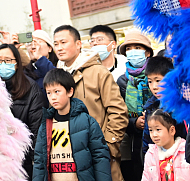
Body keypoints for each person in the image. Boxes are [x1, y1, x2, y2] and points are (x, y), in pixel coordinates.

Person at [53, 25, 128, 181]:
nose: (59, 48)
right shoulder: (55, 77)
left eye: (63, 42)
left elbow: (118, 112)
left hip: (98, 156)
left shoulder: (98, 72)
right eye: (56, 44)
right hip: (68, 158)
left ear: (79, 44)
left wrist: (107, 147)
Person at [32, 69, 111, 181]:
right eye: (48, 92)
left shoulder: (87, 122)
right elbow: (39, 161)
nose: (52, 97)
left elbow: (100, 157)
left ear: (70, 91)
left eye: (57, 91)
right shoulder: (46, 124)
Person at [0, 43, 45, 178]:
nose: (3, 64)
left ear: (16, 63)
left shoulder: (30, 89)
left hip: (23, 161)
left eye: (8, 60)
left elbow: (37, 130)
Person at [116, 29, 153, 181]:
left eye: (137, 48)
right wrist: (134, 123)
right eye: (129, 49)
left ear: (147, 52)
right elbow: (119, 112)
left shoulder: (157, 73)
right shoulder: (122, 80)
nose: (133, 52)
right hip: (134, 140)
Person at [141, 111, 190, 181]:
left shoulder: (186, 150)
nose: (154, 135)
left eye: (158, 130)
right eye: (151, 130)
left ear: (172, 130)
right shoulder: (151, 154)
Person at [141, 57, 174, 153]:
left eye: (158, 81)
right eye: (150, 81)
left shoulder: (179, 107)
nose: (154, 87)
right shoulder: (151, 107)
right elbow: (146, 140)